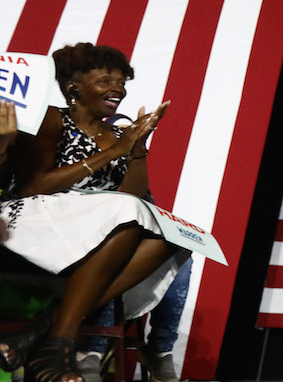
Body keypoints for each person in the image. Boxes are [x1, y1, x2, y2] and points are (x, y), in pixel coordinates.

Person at [0, 44, 188, 382]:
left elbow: (133, 198)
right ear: (75, 88)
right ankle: (56, 343)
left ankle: (48, 334)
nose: (118, 88)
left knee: (170, 238)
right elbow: (34, 186)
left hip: (95, 231)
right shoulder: (50, 119)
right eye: (105, 80)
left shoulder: (119, 133)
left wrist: (136, 151)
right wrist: (112, 152)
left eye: (121, 81)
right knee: (127, 216)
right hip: (32, 222)